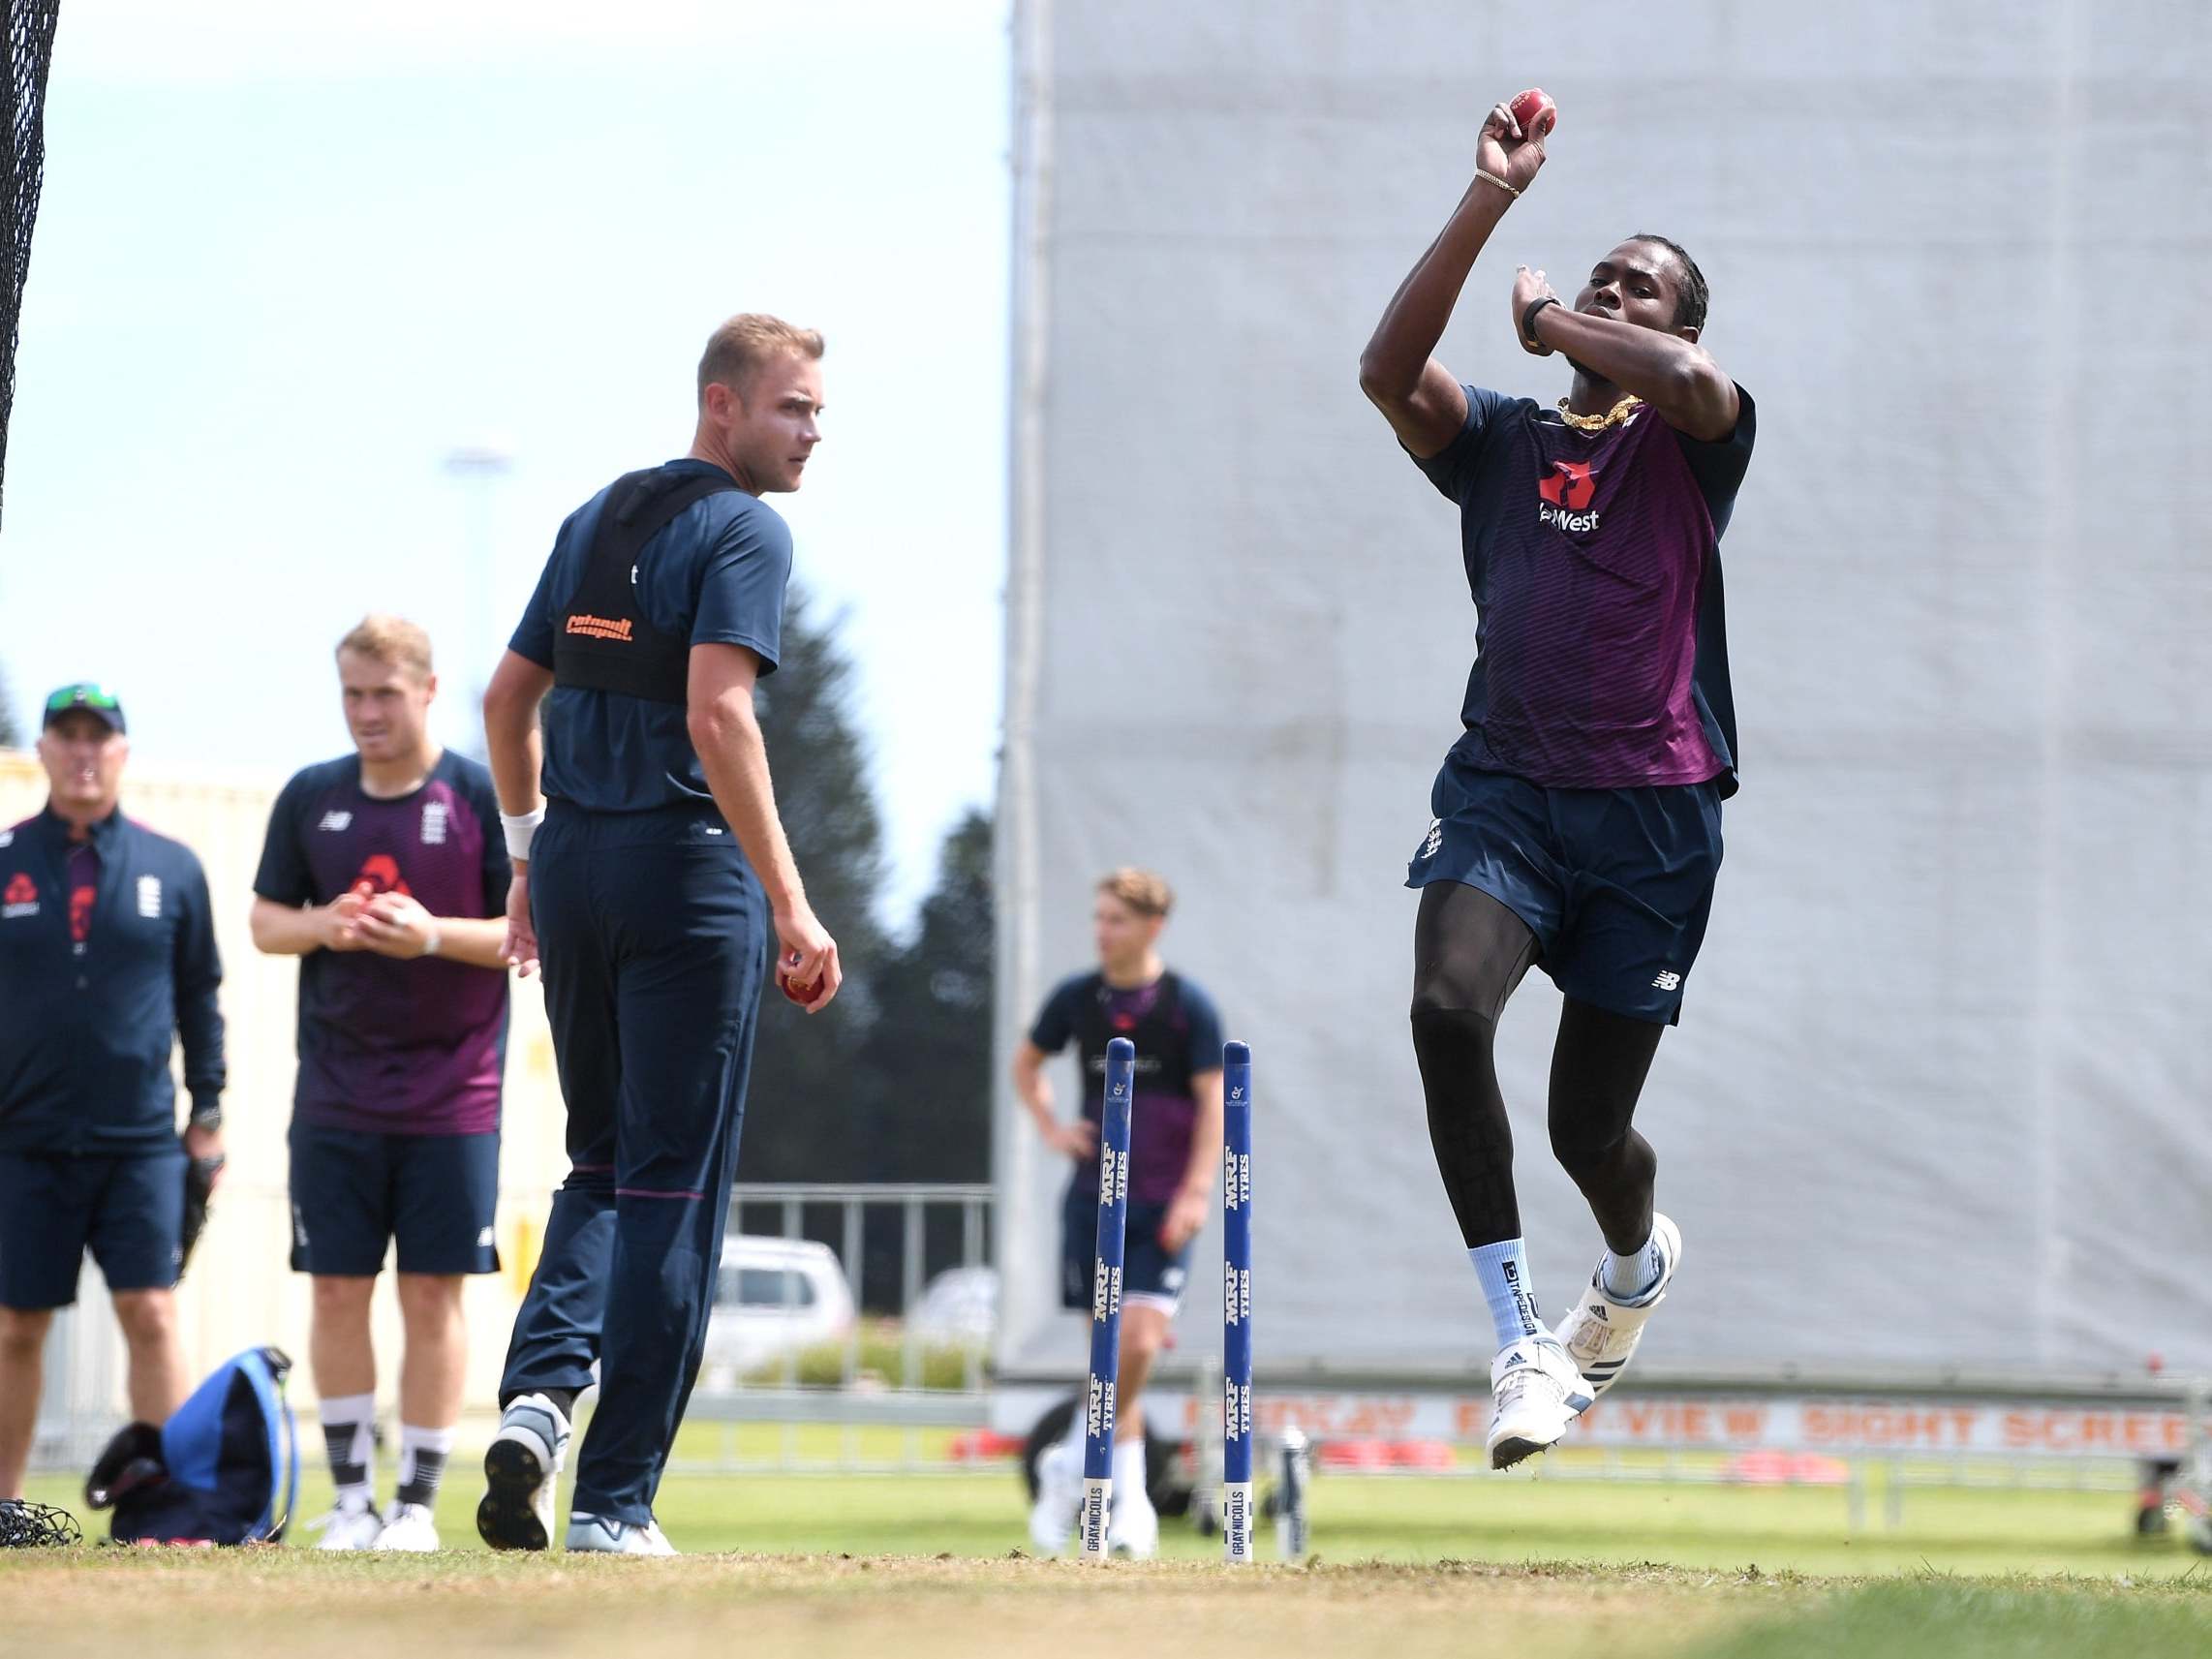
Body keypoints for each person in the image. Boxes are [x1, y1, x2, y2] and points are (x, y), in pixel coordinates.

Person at [1358, 93, 1755, 1468]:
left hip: (1653, 817)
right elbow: (1386, 371)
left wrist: (1563, 323)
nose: (1607, 292)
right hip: (1506, 793)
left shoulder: (1698, 437)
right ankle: (1522, 1337)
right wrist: (1490, 202)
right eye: (1600, 275)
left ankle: (1635, 1267)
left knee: (1590, 1126)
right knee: (1444, 1008)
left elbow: (1694, 386)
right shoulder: (1508, 445)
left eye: (1640, 290)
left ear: (1676, 328)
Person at [475, 312, 843, 1556]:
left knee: (601, 1164)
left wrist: (527, 861)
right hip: (687, 878)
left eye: (817, 413)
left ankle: (537, 1398)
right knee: (673, 1189)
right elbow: (720, 717)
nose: (809, 434)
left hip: (575, 863)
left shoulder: (595, 517)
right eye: (791, 408)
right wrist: (791, 901)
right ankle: (615, 1502)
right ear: (720, 405)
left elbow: (507, 699)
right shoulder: (745, 527)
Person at [248, 617, 513, 1550]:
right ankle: (352, 1498)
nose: (367, 712)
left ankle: (417, 1506)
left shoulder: (481, 793)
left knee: (433, 1296)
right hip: (335, 1094)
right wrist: (328, 924)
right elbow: (265, 922)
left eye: (384, 694)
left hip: (454, 1095)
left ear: (429, 690)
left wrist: (431, 931)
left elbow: (526, 937)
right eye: (353, 694)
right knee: (334, 1291)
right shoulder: (311, 795)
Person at [0, 684, 226, 1498]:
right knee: (17, 1324)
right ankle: (5, 1506)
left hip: (139, 1142)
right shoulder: (6, 860)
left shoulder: (173, 867)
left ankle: (169, 1502)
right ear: (46, 752)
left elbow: (200, 998)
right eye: (68, 736)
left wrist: (208, 1114)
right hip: (23, 1141)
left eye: (101, 737)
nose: (84, 752)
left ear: (123, 753)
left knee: (153, 1313)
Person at [1012, 868, 1224, 1558]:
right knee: (1109, 1358)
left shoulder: (1188, 1005)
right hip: (1094, 1200)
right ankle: (1130, 1507)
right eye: (1099, 917)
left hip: (1165, 1203)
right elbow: (1027, 1064)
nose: (1103, 931)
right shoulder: (1078, 998)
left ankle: (1067, 1462)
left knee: (1134, 1348)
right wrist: (1050, 1126)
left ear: (1151, 925)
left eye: (1118, 919)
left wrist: (1197, 1190)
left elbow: (1215, 1104)